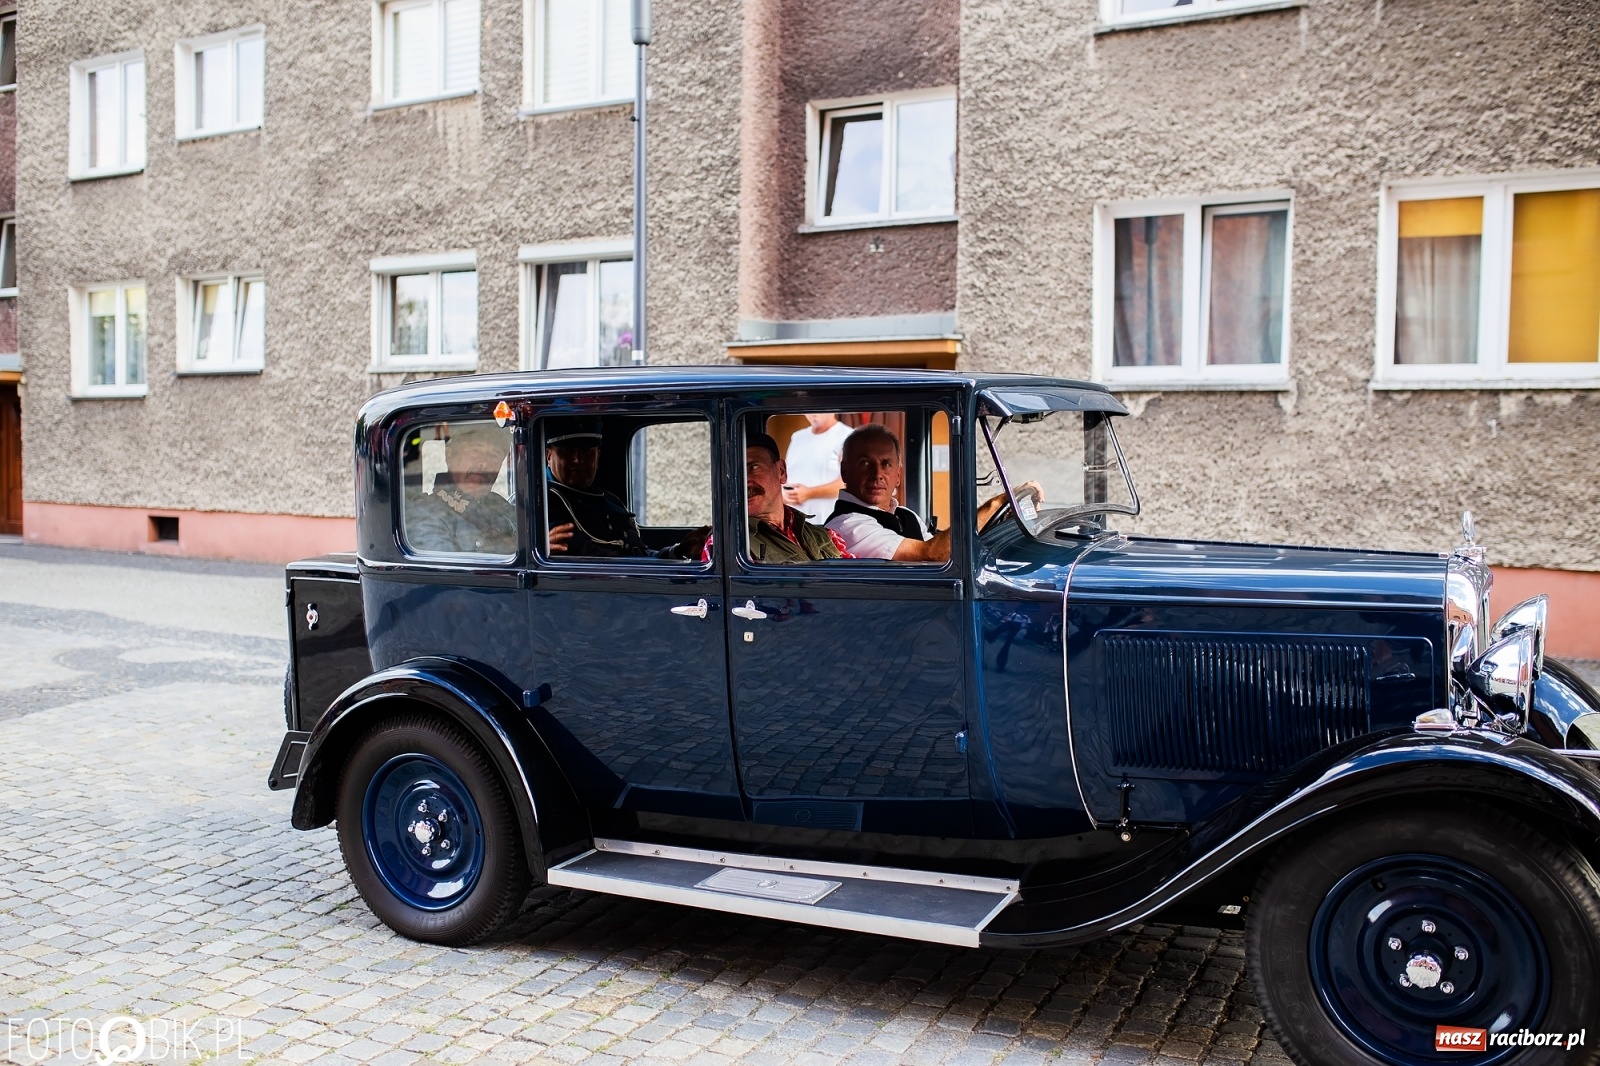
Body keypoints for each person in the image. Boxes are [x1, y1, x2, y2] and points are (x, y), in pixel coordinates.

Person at [826, 423, 1038, 562]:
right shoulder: (847, 525)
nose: (877, 474)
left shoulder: (905, 515)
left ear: (898, 475)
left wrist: (1002, 523)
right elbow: (934, 554)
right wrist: (995, 504)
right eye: (865, 463)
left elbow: (944, 547)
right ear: (845, 471)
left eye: (886, 464)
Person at [545, 417, 708, 559]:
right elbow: (598, 560)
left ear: (598, 456)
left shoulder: (609, 500)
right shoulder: (544, 502)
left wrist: (678, 551)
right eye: (566, 451)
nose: (578, 460)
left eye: (587, 451)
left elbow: (637, 552)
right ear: (549, 456)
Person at [406, 422, 517, 555]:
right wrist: (511, 546)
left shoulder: (499, 504)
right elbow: (447, 572)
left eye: (494, 455)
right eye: (475, 451)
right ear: (449, 456)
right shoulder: (425, 514)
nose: (484, 463)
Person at [742, 433, 851, 563]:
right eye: (736, 473)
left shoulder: (825, 536)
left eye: (753, 467)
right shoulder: (730, 546)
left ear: (781, 471)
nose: (745, 481)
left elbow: (857, 576)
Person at [781, 413, 852, 524]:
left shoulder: (847, 436)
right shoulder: (797, 437)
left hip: (830, 525)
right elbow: (786, 476)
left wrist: (809, 493)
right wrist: (783, 492)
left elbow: (850, 482)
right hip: (795, 525)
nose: (813, 412)